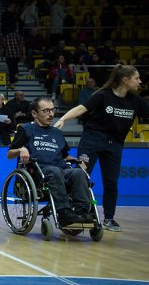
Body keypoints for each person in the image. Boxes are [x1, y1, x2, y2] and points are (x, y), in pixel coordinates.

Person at [54, 64, 149, 232]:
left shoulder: (136, 101)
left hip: (115, 145)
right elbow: (81, 108)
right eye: (137, 78)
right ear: (125, 80)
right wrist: (63, 119)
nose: (140, 81)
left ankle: (109, 219)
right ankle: (72, 210)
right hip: (92, 140)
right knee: (81, 175)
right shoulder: (103, 95)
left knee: (111, 182)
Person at [8, 97, 93, 227]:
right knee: (55, 171)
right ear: (34, 114)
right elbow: (9, 154)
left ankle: (82, 212)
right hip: (39, 173)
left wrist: (77, 161)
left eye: (52, 110)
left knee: (78, 173)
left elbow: (65, 156)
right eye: (46, 111)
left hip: (60, 170)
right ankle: (63, 212)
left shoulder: (57, 132)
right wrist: (21, 149)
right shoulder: (25, 129)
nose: (51, 114)